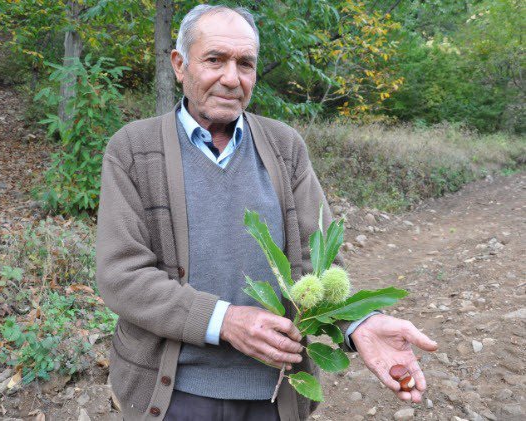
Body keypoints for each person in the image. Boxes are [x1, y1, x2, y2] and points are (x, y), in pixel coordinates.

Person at [96, 4, 438, 421]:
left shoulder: (284, 146)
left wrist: (358, 324)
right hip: (173, 394)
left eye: (245, 64)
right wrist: (224, 321)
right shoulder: (133, 149)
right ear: (179, 65)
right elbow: (121, 275)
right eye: (215, 60)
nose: (231, 78)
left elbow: (319, 264)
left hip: (275, 394)